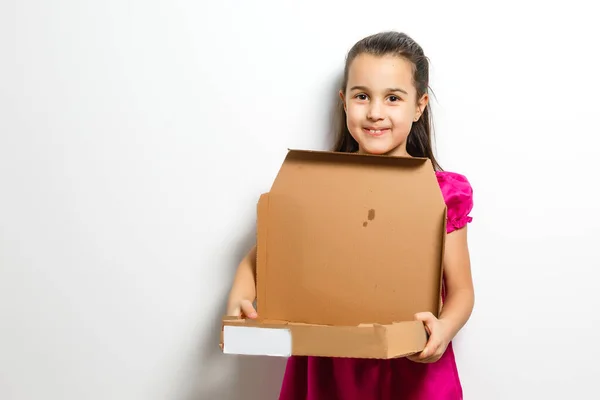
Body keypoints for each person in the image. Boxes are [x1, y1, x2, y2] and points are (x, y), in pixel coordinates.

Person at [226, 31, 475, 400]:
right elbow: (259, 261)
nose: (375, 112)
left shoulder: (441, 193)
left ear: (419, 105)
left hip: (411, 364)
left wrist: (444, 330)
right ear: (344, 102)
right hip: (331, 363)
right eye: (362, 96)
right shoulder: (315, 185)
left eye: (393, 98)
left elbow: (462, 291)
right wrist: (239, 303)